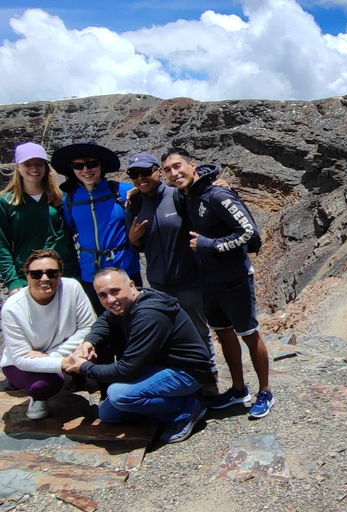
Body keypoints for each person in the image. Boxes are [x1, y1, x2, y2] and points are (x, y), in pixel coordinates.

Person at [161, 147, 274, 419]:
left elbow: (248, 232)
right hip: (209, 280)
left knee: (248, 333)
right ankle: (238, 389)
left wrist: (209, 245)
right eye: (167, 170)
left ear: (191, 164)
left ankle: (265, 392)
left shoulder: (217, 194)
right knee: (223, 333)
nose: (174, 173)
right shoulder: (189, 195)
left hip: (234, 278)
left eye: (178, 166)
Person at [63, 267, 213, 444]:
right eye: (102, 295)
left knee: (119, 395)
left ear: (132, 285)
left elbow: (128, 369)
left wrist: (84, 368)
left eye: (114, 291)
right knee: (108, 414)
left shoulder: (149, 314)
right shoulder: (126, 304)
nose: (110, 300)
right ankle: (167, 403)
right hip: (156, 365)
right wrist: (90, 341)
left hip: (187, 371)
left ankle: (186, 409)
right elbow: (105, 319)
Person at [124, 152, 218, 383]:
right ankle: (178, 381)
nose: (140, 178)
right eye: (134, 174)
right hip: (157, 285)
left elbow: (204, 194)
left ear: (158, 171)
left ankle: (208, 380)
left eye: (145, 172)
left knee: (198, 332)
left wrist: (219, 183)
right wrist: (133, 239)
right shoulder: (134, 203)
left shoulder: (178, 195)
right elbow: (140, 246)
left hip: (189, 282)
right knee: (165, 335)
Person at [1, 250, 96, 419]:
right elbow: (21, 357)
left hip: (58, 352)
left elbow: (88, 328)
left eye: (52, 273)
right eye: (36, 274)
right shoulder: (12, 308)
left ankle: (105, 393)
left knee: (101, 343)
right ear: (27, 276)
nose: (44, 279)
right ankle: (38, 399)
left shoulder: (72, 288)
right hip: (19, 364)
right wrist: (64, 361)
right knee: (43, 385)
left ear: (60, 273)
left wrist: (52, 356)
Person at [51, 142, 142, 315]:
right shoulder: (69, 199)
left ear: (101, 166)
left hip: (125, 268)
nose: (86, 170)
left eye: (92, 164)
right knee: (103, 322)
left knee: (135, 318)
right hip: (90, 273)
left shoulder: (123, 191)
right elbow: (69, 230)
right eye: (79, 166)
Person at [0, 142, 79, 294]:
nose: (34, 168)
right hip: (29, 277)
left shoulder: (60, 198)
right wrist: (12, 282)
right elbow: (2, 245)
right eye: (28, 164)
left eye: (39, 164)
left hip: (65, 274)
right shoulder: (6, 201)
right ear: (18, 167)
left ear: (46, 167)